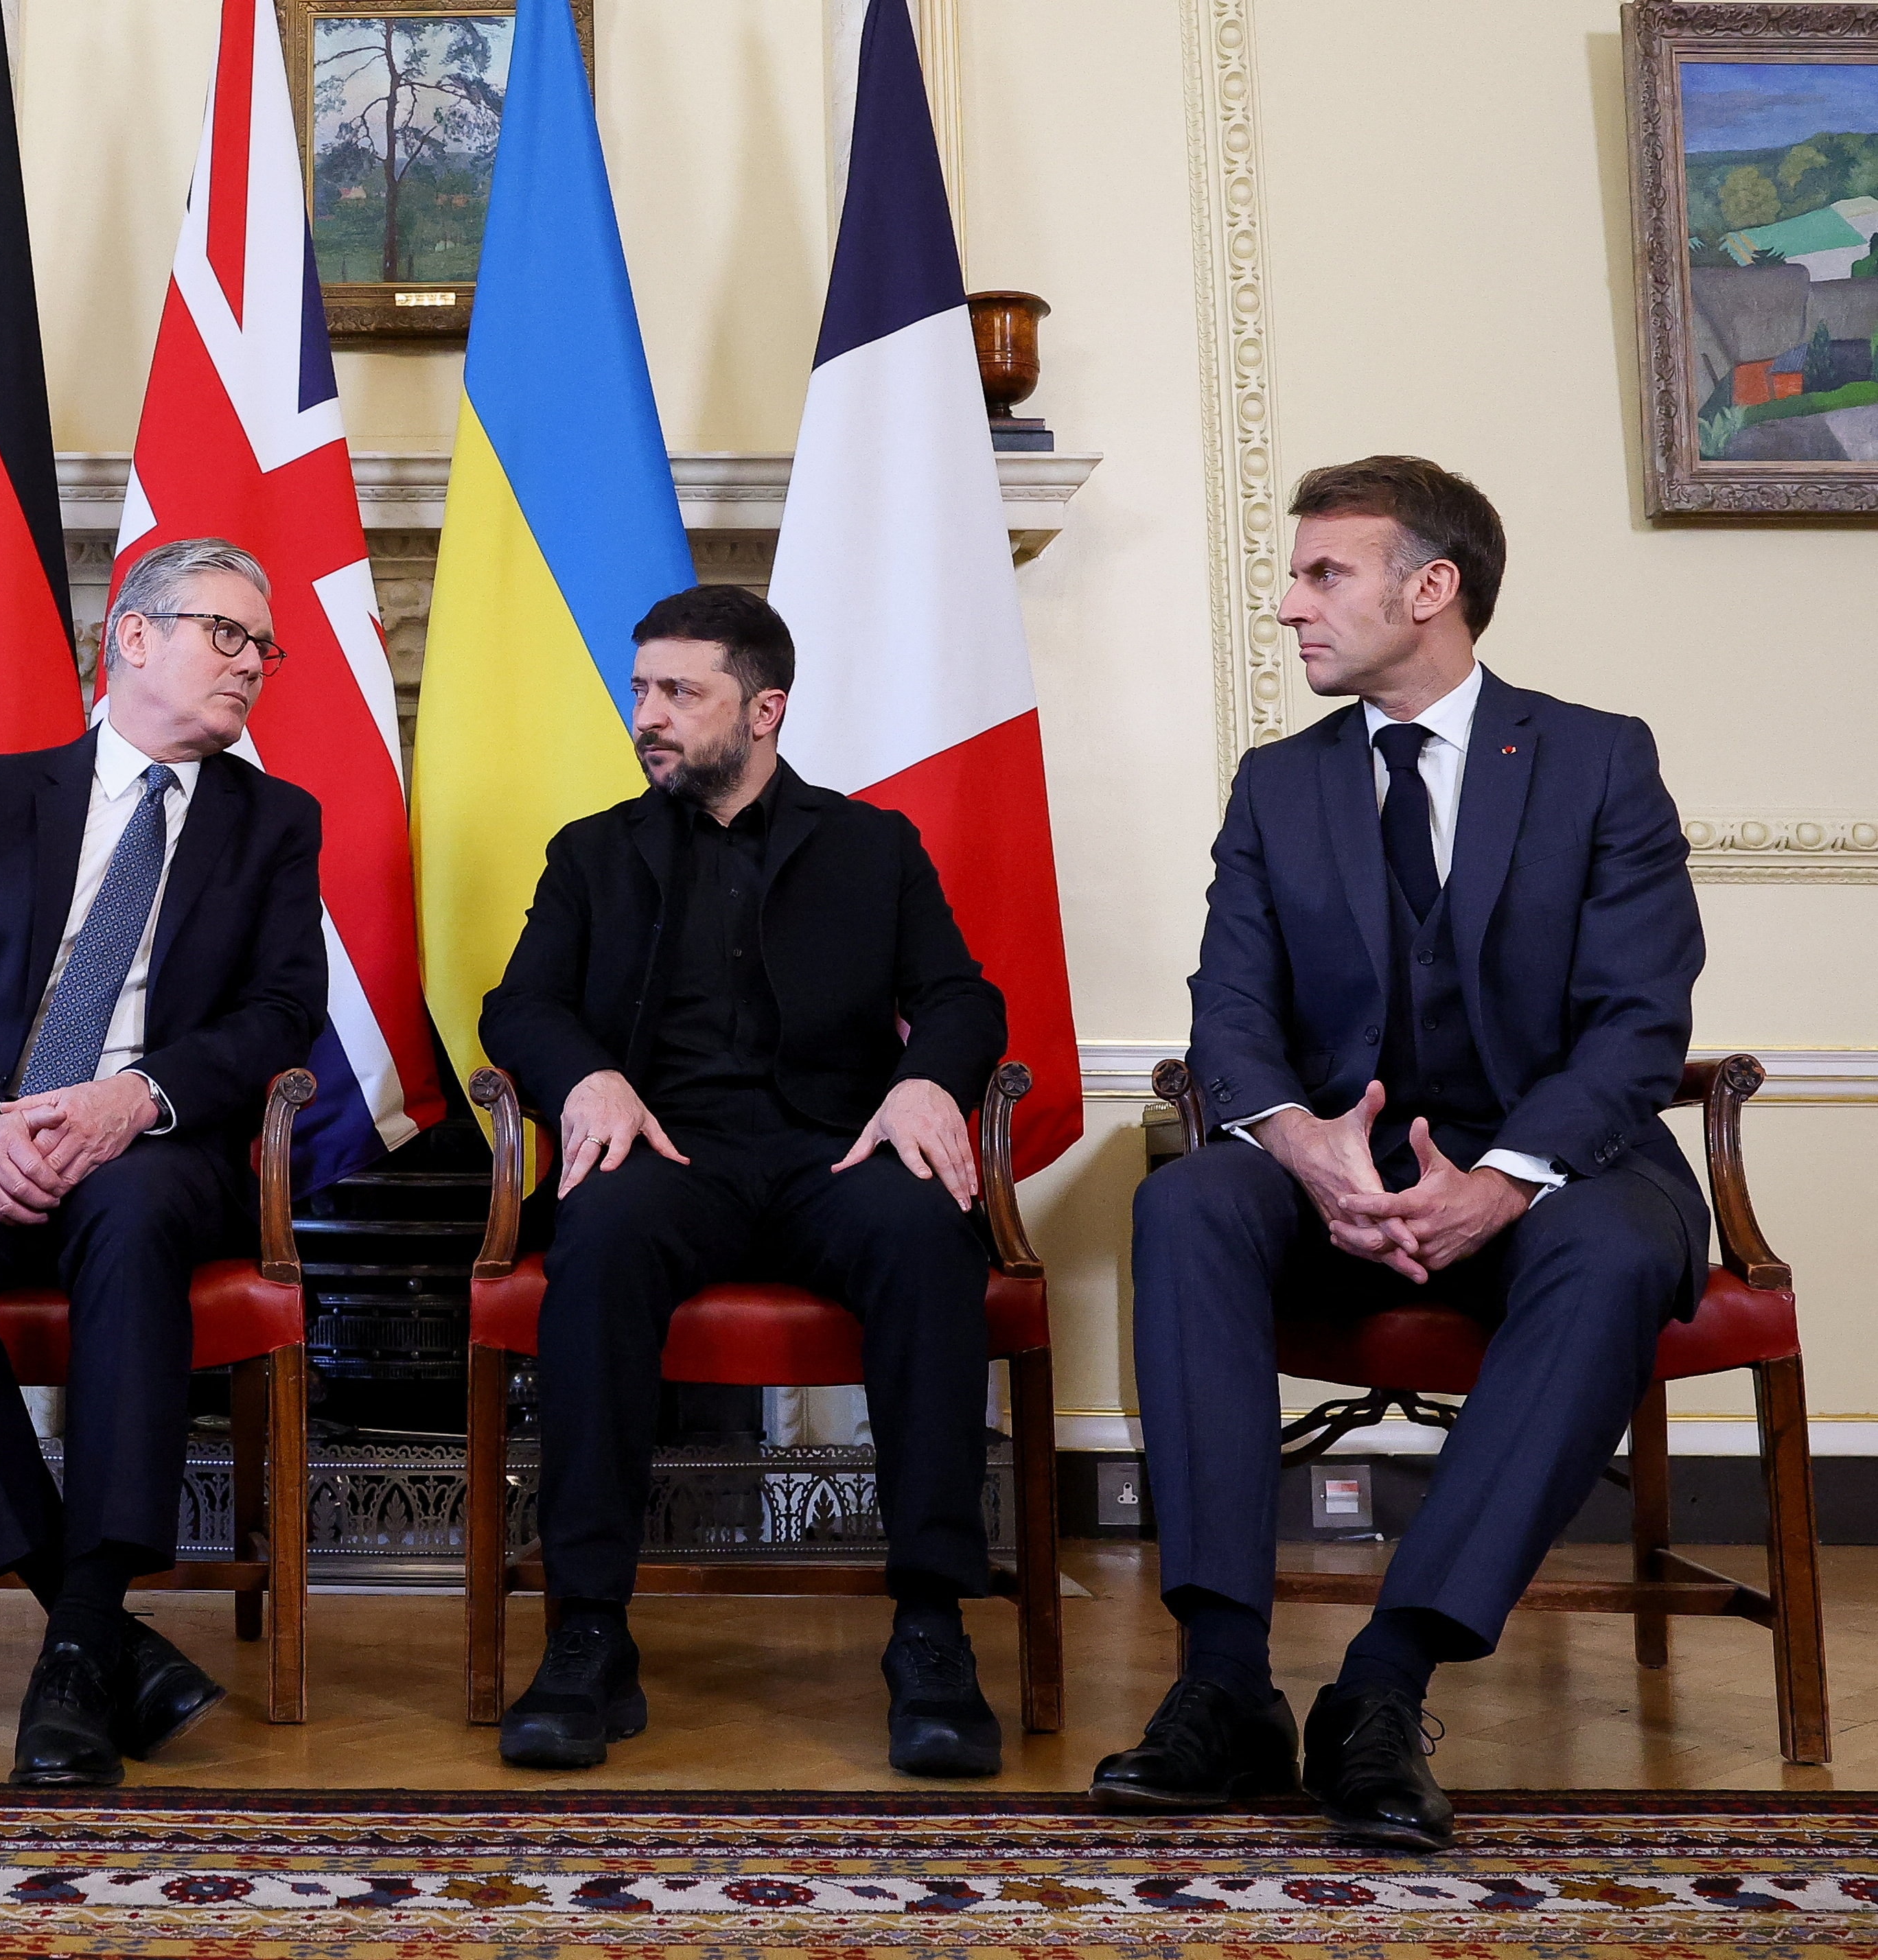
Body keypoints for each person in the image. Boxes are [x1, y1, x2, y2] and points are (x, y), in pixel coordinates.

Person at [1092, 458, 1708, 1852]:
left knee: (1616, 1247)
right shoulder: (1277, 785)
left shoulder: (1595, 760)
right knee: (1189, 1203)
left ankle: (1383, 1686)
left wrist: (1501, 1185)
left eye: (1324, 575)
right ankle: (1223, 1685)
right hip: (1336, 1178)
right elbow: (1231, 1017)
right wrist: (1308, 1154)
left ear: (1430, 591)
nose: (1288, 605)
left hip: (1558, 1171)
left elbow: (1636, 1024)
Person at [476, 584, 1010, 1777]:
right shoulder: (593, 851)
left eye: (679, 693)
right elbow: (519, 1004)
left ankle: (930, 1624)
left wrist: (930, 1083)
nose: (647, 717)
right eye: (639, 690)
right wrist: (588, 1082)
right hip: (668, 1153)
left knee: (931, 1237)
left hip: (837, 1151)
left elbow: (965, 997)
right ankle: (588, 1632)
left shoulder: (874, 847)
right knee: (598, 1239)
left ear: (763, 710)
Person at [0, 536, 327, 1788]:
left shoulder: (276, 822)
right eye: (226, 634)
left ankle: (78, 1633)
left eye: (264, 647)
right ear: (132, 637)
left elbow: (281, 1016)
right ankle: (92, 1624)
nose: (254, 665)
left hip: (149, 1140)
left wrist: (138, 1095)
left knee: (133, 1213)